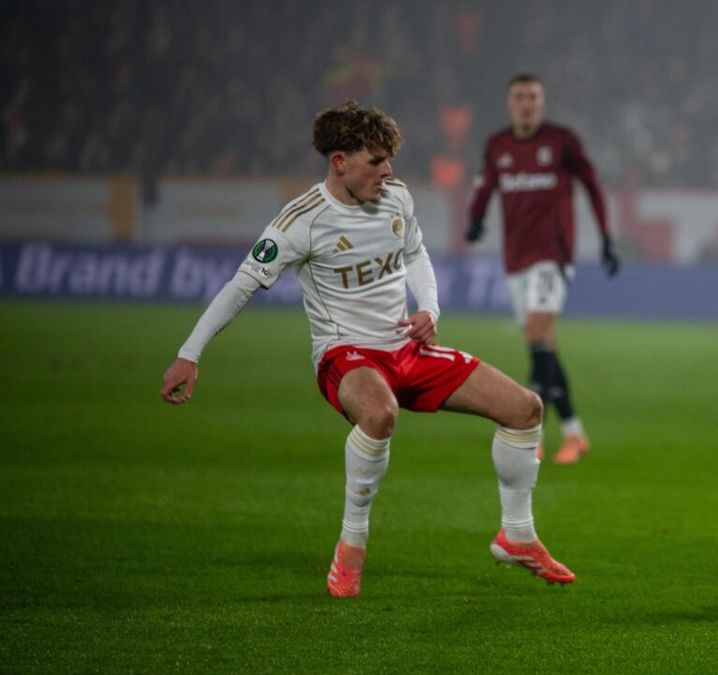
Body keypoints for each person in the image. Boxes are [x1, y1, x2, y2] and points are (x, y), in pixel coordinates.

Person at [160, 101, 574, 597]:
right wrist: (190, 353)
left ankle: (517, 535)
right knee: (379, 414)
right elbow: (240, 286)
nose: (388, 171)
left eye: (389, 160)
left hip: (406, 349)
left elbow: (416, 253)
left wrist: (430, 309)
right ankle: (351, 546)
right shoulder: (301, 221)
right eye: (376, 161)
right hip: (346, 355)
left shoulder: (396, 198)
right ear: (340, 162)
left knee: (525, 409)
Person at [465, 72, 619, 465]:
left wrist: (606, 236)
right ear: (509, 103)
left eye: (533, 97)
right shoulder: (497, 146)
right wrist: (475, 219)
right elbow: (485, 187)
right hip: (515, 258)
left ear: (542, 102)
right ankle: (574, 433)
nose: (527, 104)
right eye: (520, 97)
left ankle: (530, 433)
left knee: (536, 333)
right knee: (543, 344)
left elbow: (592, 185)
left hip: (552, 255)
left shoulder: (561, 141)